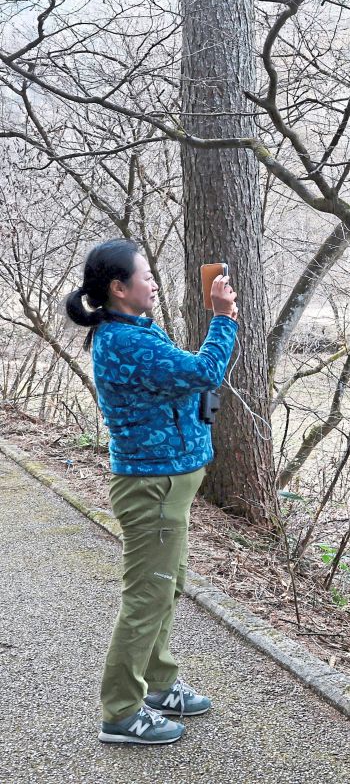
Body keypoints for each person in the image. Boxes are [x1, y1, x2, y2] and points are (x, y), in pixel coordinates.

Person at [64, 239, 238, 746]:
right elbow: (204, 371)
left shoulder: (137, 329)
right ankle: (120, 711)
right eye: (146, 276)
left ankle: (157, 683)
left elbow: (181, 376)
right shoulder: (125, 342)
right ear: (119, 288)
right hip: (152, 487)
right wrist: (223, 317)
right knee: (146, 596)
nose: (155, 282)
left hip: (169, 485)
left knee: (167, 587)